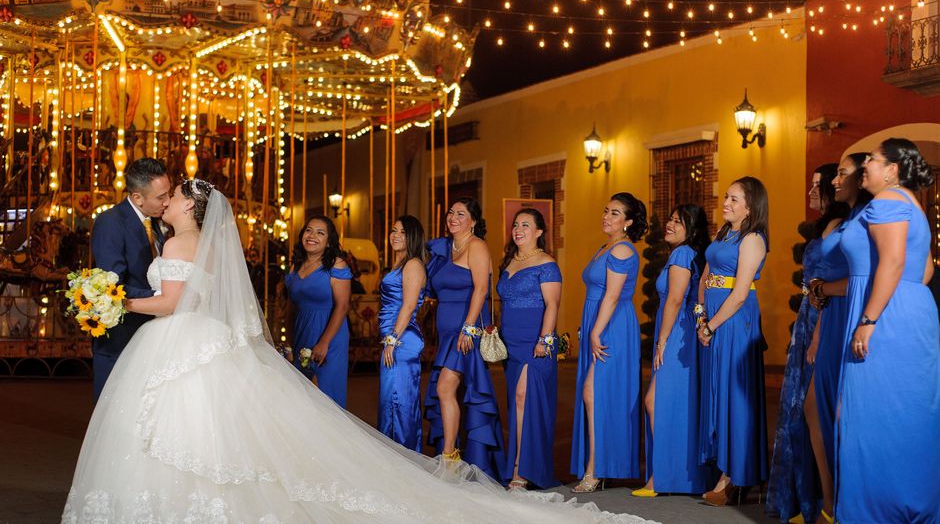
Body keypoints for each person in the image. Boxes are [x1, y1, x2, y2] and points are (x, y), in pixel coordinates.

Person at [63, 180, 656, 524]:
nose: (162, 201)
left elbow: (171, 302)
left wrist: (115, 302)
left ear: (190, 207)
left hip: (182, 334)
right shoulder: (179, 236)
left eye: (170, 196)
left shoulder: (184, 237)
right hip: (190, 340)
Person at [835, 139, 940, 523]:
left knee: (870, 415)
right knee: (906, 412)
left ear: (893, 169)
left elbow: (893, 262)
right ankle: (914, 506)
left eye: (873, 160)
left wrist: (869, 319)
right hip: (913, 310)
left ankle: (876, 512)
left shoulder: (888, 201)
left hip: (887, 314)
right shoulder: (912, 202)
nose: (866, 165)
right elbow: (925, 270)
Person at [765, 164, 845, 522]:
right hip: (808, 318)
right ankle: (807, 499)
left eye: (818, 185)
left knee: (817, 408)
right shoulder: (824, 226)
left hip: (825, 317)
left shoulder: (842, 227)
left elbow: (837, 279)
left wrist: (816, 333)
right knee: (800, 410)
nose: (811, 191)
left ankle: (829, 502)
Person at [804, 153, 871, 523]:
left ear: (861, 178)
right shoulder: (848, 221)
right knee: (815, 408)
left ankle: (843, 503)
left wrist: (824, 287)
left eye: (840, 174)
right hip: (830, 317)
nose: (832, 181)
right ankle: (830, 501)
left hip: (850, 315)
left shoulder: (866, 220)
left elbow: (867, 277)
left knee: (840, 412)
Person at [697, 176, 769, 506]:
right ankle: (722, 467)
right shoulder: (725, 233)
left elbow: (740, 294)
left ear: (751, 206)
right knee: (717, 392)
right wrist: (700, 313)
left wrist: (710, 325)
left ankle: (735, 476)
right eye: (726, 196)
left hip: (734, 322)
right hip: (711, 317)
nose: (725, 202)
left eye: (734, 199)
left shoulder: (753, 239)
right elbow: (706, 274)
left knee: (733, 396)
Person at [634, 204, 715, 498]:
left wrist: (662, 341)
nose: (669, 224)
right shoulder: (688, 253)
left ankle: (662, 477)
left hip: (677, 333)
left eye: (678, 222)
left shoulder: (682, 254)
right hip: (681, 333)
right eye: (670, 218)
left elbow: (675, 299)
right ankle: (671, 476)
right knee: (676, 404)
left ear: (691, 228)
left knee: (656, 401)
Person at [571, 193, 648, 492]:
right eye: (606, 211)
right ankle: (597, 465)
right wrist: (589, 326)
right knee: (594, 393)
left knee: (594, 392)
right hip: (599, 320)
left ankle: (596, 468)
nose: (606, 216)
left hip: (612, 325)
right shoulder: (607, 247)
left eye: (615, 213)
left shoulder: (622, 252)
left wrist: (595, 331)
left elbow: (613, 296)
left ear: (628, 222)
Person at [423, 197, 505, 480]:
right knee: (450, 392)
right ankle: (453, 453)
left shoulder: (477, 246)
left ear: (473, 221)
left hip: (464, 331)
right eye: (450, 213)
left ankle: (449, 457)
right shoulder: (444, 249)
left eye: (461, 213)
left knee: (446, 388)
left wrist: (468, 328)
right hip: (446, 333)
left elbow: (482, 289)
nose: (453, 217)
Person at [89, 158, 170, 401]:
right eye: (161, 197)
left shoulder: (157, 222)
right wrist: (161, 299)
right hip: (120, 338)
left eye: (169, 194)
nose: (167, 202)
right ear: (137, 197)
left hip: (152, 335)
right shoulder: (111, 223)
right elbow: (110, 287)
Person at [496, 208, 562, 491]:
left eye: (526, 225)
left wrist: (544, 340)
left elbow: (553, 305)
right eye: (515, 224)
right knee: (516, 403)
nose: (518, 229)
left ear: (538, 232)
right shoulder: (509, 262)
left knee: (525, 399)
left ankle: (520, 470)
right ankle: (519, 464)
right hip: (510, 342)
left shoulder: (547, 264)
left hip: (535, 342)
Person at [284, 215, 352, 407]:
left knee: (326, 396)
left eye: (320, 233)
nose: (312, 236)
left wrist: (324, 342)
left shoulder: (336, 265)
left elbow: (343, 306)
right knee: (302, 396)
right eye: (308, 230)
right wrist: (289, 343)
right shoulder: (295, 267)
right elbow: (290, 307)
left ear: (329, 241)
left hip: (330, 334)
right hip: (302, 331)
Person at [378, 215, 428, 451]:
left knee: (400, 404)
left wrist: (392, 339)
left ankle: (404, 460)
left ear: (413, 237)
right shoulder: (398, 264)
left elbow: (408, 306)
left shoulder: (413, 264)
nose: (395, 235)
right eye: (393, 230)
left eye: (402, 232)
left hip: (402, 340)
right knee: (390, 402)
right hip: (395, 339)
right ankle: (392, 460)